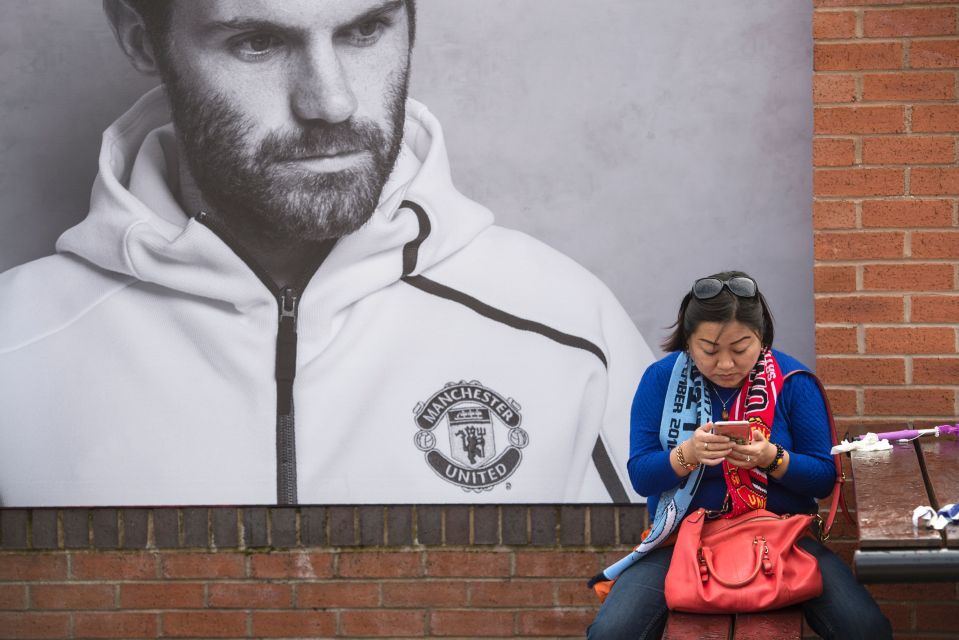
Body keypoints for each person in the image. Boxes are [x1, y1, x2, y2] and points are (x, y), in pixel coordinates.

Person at [0, 0, 651, 506]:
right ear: (145, 41)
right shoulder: (16, 350)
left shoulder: (564, 330)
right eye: (256, 41)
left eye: (365, 29)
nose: (331, 101)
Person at [587, 272, 891, 640]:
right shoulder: (662, 380)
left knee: (865, 628)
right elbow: (641, 476)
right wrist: (688, 454)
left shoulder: (792, 380)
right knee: (612, 632)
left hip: (782, 537)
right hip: (681, 540)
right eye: (710, 350)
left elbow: (824, 478)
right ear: (688, 340)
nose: (726, 364)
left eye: (740, 347)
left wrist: (772, 458)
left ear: (761, 338)